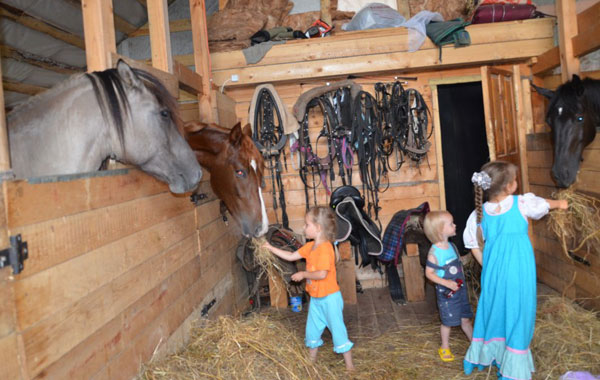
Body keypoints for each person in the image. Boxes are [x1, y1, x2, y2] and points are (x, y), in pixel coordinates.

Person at [463, 161, 568, 380]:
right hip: (519, 271)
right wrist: (562, 203)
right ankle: (512, 369)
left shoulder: (478, 214)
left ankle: (484, 355)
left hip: (493, 273)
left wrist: (487, 265)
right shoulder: (521, 203)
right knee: (519, 311)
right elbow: (545, 205)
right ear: (510, 186)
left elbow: (472, 244)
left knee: (494, 310)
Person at [263, 206, 355, 370]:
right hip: (316, 299)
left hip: (330, 299)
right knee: (312, 331)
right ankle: (310, 362)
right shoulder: (310, 246)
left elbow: (321, 275)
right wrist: (270, 248)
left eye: (307, 225)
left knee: (338, 331)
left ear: (318, 228)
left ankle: (350, 367)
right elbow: (291, 256)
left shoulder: (325, 249)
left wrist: (304, 274)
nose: (304, 228)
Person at [423, 210, 474, 362]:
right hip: (447, 293)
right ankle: (444, 346)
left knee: (466, 319)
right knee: (448, 322)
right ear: (440, 230)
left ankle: (475, 344)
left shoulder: (452, 246)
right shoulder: (434, 253)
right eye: (451, 223)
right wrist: (447, 283)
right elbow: (429, 273)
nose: (455, 225)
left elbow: (457, 264)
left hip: (460, 290)